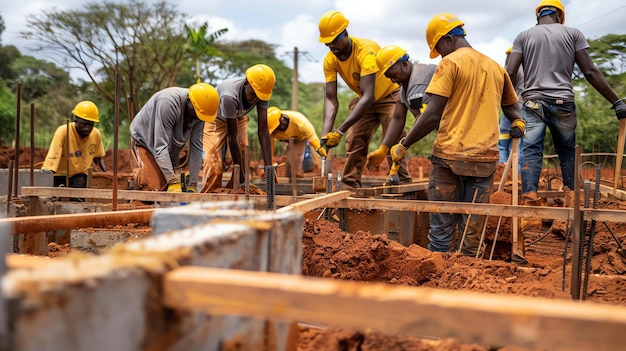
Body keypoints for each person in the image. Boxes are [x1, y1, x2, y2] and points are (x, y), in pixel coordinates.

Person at [389, 13, 524, 258]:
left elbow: (430, 115)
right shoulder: (496, 67)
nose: (440, 54)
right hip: (484, 161)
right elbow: (513, 107)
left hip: (449, 157)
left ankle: (438, 281)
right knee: (472, 231)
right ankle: (467, 283)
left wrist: (403, 145)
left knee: (441, 228)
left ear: (448, 39)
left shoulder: (450, 64)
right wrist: (518, 121)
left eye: (439, 48)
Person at [506, 0, 626, 208]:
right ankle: (572, 198)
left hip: (533, 103)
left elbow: (509, 72)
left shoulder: (523, 37)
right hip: (564, 103)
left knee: (531, 150)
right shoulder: (573, 33)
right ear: (560, 16)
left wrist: (509, 108)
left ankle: (530, 200)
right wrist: (616, 101)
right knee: (567, 152)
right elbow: (590, 72)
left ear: (538, 17)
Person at [317, 10, 410, 189]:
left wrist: (340, 130)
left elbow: (369, 95)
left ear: (346, 33)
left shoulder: (365, 51)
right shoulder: (330, 60)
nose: (332, 46)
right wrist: (326, 134)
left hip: (389, 96)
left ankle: (400, 179)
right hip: (365, 101)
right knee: (354, 138)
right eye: (328, 43)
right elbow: (331, 99)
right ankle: (350, 186)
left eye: (335, 40)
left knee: (393, 131)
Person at [130, 83, 218, 193]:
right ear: (189, 101)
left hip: (169, 148)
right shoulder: (168, 103)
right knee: (154, 186)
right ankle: (135, 189)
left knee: (165, 187)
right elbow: (160, 146)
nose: (198, 118)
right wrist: (172, 181)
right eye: (197, 114)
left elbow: (197, 148)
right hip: (144, 141)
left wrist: (192, 184)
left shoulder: (199, 112)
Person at [200, 64, 276, 193]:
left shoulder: (262, 94)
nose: (255, 100)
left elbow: (263, 131)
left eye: (259, 97)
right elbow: (232, 137)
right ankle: (211, 191)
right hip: (216, 119)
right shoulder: (229, 96)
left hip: (238, 117)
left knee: (244, 149)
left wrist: (269, 168)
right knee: (213, 158)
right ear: (247, 83)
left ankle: (236, 187)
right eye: (253, 94)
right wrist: (240, 176)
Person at [366, 45, 437, 174]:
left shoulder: (418, 82)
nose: (393, 80)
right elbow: (397, 118)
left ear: (404, 64)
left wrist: (403, 146)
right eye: (389, 78)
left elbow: (427, 119)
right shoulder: (405, 86)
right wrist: (384, 148)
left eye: (393, 75)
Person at [42, 100, 106, 189]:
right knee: (57, 195)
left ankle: (78, 201)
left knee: (80, 184)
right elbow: (54, 155)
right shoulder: (63, 131)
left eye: (90, 125)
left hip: (79, 175)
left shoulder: (96, 134)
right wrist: (46, 176)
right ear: (75, 120)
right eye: (84, 124)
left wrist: (106, 174)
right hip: (60, 174)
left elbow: (98, 158)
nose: (87, 128)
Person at [266, 106, 327, 178]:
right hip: (286, 139)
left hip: (299, 139)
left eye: (275, 130)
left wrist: (320, 150)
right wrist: (271, 161)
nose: (274, 132)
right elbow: (269, 145)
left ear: (281, 121)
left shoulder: (300, 122)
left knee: (294, 164)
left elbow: (313, 139)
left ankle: (297, 179)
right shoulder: (271, 126)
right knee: (288, 164)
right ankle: (289, 182)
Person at [498, 46, 524, 165]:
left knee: (503, 145)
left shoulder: (511, 70)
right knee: (518, 146)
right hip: (525, 111)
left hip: (511, 109)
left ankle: (502, 173)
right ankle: (515, 178)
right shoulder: (531, 69)